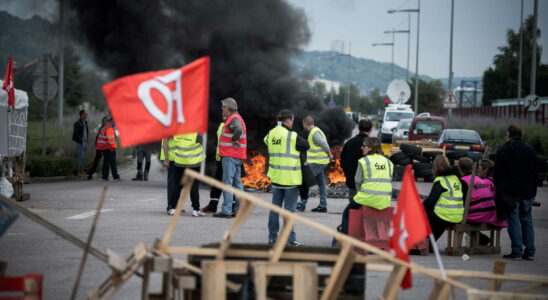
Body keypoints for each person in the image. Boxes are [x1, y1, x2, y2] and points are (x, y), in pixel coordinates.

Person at [265, 109, 309, 246]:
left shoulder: (272, 134)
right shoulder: (292, 136)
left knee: (275, 209)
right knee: (289, 211)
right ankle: (290, 239)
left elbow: (266, 140)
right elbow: (306, 145)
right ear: (289, 120)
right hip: (290, 179)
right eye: (292, 121)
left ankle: (272, 237)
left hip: (276, 178)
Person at [494, 124, 537, 261]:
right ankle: (530, 251)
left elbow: (497, 173)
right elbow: (534, 172)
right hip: (527, 191)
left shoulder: (505, 150)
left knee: (513, 220)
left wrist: (499, 191)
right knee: (527, 220)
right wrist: (533, 191)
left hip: (510, 192)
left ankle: (517, 251)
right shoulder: (530, 150)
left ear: (509, 134)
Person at [340, 137, 393, 234]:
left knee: (347, 213)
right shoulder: (388, 162)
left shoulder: (364, 161)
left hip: (367, 198)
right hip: (384, 200)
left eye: (364, 146)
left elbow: (357, 180)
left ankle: (345, 238)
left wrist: (359, 193)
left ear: (371, 148)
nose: (361, 148)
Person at [458, 157, 507, 246]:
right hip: (496, 214)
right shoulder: (496, 181)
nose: (477, 171)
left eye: (479, 169)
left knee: (459, 216)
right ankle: (479, 240)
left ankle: (480, 239)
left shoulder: (483, 182)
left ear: (486, 170)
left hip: (491, 216)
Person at [214, 98, 247, 218]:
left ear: (228, 108)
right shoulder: (238, 117)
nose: (222, 109)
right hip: (237, 155)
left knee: (227, 183)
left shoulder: (233, 119)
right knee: (237, 183)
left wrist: (234, 139)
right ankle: (240, 210)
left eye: (223, 107)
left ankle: (226, 210)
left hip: (230, 155)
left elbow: (237, 129)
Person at [423, 155, 465, 242]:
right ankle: (430, 242)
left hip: (445, 215)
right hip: (458, 215)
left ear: (435, 167)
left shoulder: (440, 180)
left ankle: (425, 241)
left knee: (424, 211)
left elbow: (431, 201)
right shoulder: (455, 178)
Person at [296, 116, 333, 213]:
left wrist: (330, 156)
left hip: (318, 162)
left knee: (306, 180)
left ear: (305, 123)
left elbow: (324, 144)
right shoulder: (315, 131)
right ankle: (323, 206)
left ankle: (302, 203)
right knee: (321, 183)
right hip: (319, 162)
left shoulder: (315, 133)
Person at [164, 133, 205, 217]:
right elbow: (200, 142)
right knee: (193, 186)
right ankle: (196, 209)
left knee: (177, 185)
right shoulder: (196, 131)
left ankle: (172, 208)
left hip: (180, 161)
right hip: (194, 162)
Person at [340, 119, 373, 200]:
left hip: (352, 181)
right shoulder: (372, 145)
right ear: (371, 129)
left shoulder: (349, 143)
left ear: (358, 128)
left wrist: (348, 174)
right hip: (367, 183)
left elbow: (342, 161)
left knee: (353, 206)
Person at [72, 110, 89, 177]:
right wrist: (80, 140)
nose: (86, 115)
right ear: (81, 115)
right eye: (85, 114)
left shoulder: (85, 122)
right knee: (80, 157)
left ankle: (82, 171)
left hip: (85, 142)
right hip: (80, 142)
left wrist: (86, 140)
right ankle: (78, 171)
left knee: (83, 157)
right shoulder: (77, 123)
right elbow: (76, 133)